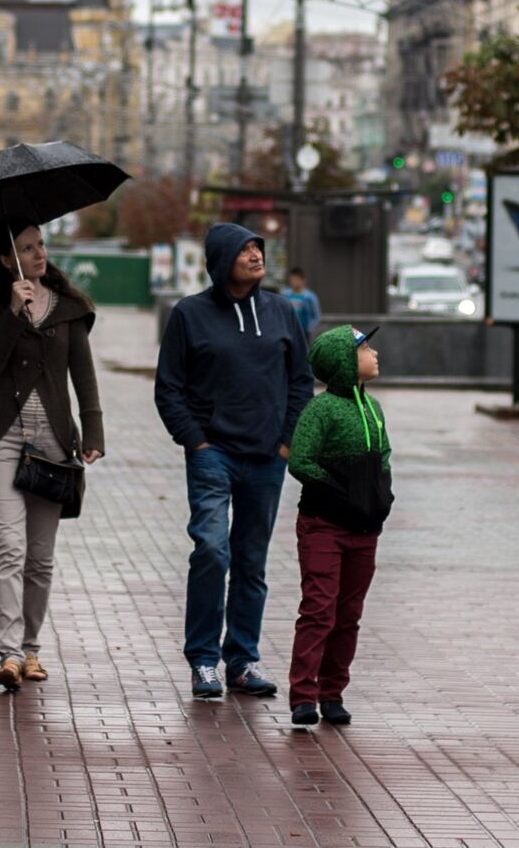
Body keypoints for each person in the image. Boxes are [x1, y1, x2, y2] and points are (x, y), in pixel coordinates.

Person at [154, 222, 313, 701]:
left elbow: (301, 382)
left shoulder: (282, 311)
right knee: (211, 551)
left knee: (251, 562)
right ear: (223, 259)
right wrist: (196, 442)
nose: (255, 255)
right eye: (244, 249)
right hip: (213, 456)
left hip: (267, 459)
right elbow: (169, 388)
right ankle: (204, 660)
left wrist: (286, 443)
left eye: (257, 248)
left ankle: (242, 660)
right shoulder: (190, 314)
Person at [0, 219, 104, 691]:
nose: (39, 254)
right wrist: (12, 310)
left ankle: (30, 648)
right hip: (3, 440)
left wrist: (94, 431)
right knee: (10, 547)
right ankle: (8, 653)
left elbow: (84, 375)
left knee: (40, 558)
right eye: (27, 249)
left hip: (52, 446)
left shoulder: (69, 308)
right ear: (8, 259)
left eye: (41, 245)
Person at [286, 325, 393, 728]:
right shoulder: (321, 410)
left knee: (348, 614)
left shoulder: (374, 408)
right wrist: (337, 489)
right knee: (319, 609)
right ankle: (304, 694)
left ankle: (333, 692)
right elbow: (300, 461)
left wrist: (382, 496)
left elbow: (383, 455)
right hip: (323, 525)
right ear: (345, 362)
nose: (375, 353)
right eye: (365, 348)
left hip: (365, 529)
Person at [284, 267, 322, 342]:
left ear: (303, 280)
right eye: (292, 280)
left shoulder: (310, 297)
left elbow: (317, 315)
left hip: (303, 332)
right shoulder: (285, 295)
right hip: (288, 331)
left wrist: (309, 328)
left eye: (296, 279)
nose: (294, 282)